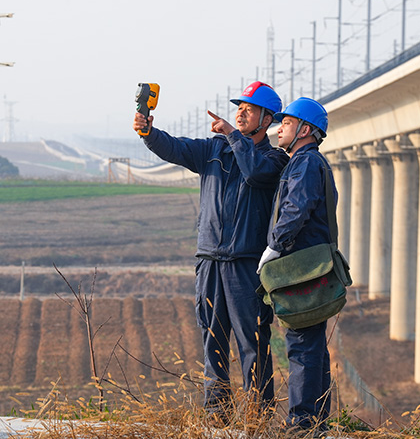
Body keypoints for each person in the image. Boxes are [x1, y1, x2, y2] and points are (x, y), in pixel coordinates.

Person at [132, 81, 289, 421]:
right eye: (239, 107)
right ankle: (217, 415)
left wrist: (234, 135)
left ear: (267, 119)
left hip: (245, 265)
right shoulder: (214, 150)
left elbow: (256, 173)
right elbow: (177, 148)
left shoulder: (274, 158)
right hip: (209, 261)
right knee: (212, 337)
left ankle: (257, 416)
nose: (241, 111)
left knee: (253, 341)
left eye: (249, 108)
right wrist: (150, 133)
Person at [257, 97, 336, 434]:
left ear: (305, 129)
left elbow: (296, 210)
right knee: (313, 342)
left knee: (302, 343)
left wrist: (273, 247)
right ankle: (315, 421)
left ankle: (301, 424)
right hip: (312, 264)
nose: (279, 128)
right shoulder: (309, 162)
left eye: (286, 123)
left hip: (302, 266)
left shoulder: (305, 164)